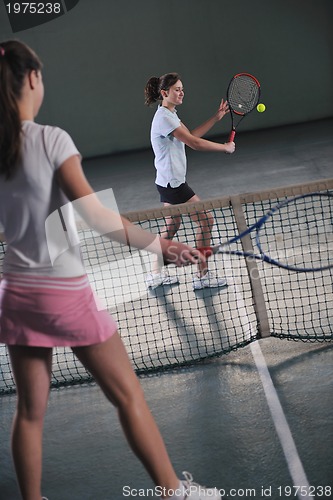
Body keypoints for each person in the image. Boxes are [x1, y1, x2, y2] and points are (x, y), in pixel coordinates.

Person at [0, 40, 224, 500]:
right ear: (32, 80)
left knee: (29, 413)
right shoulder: (51, 139)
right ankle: (172, 492)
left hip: (15, 292)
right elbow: (98, 217)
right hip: (62, 290)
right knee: (128, 396)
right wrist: (162, 245)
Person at [144, 73, 235, 290]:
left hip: (165, 182)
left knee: (172, 225)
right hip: (174, 185)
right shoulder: (165, 118)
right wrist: (224, 147)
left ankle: (154, 274)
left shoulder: (170, 114)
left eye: (182, 88)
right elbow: (194, 143)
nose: (181, 92)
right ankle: (202, 276)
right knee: (207, 221)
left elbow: (190, 135)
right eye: (177, 89)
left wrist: (216, 117)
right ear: (164, 93)